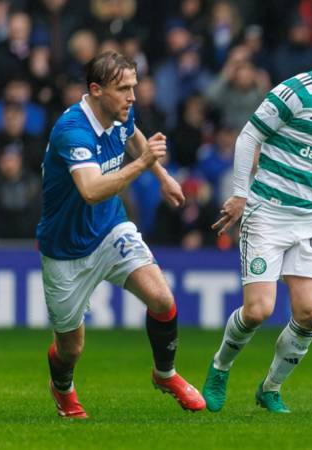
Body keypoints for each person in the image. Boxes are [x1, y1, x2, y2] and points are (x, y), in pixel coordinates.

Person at [202, 21, 312, 414]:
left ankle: (270, 388)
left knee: (310, 312)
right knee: (258, 310)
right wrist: (240, 195)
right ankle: (220, 367)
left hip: (309, 221)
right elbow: (248, 137)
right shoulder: (294, 91)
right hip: (268, 213)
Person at [35, 51, 206, 419]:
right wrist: (144, 165)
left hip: (111, 228)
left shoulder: (119, 113)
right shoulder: (73, 131)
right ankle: (62, 387)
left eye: (134, 86)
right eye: (123, 89)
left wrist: (162, 177)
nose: (132, 96)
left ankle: (165, 374)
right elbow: (91, 189)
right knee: (71, 349)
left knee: (161, 298)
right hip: (67, 248)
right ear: (95, 90)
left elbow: (133, 136)